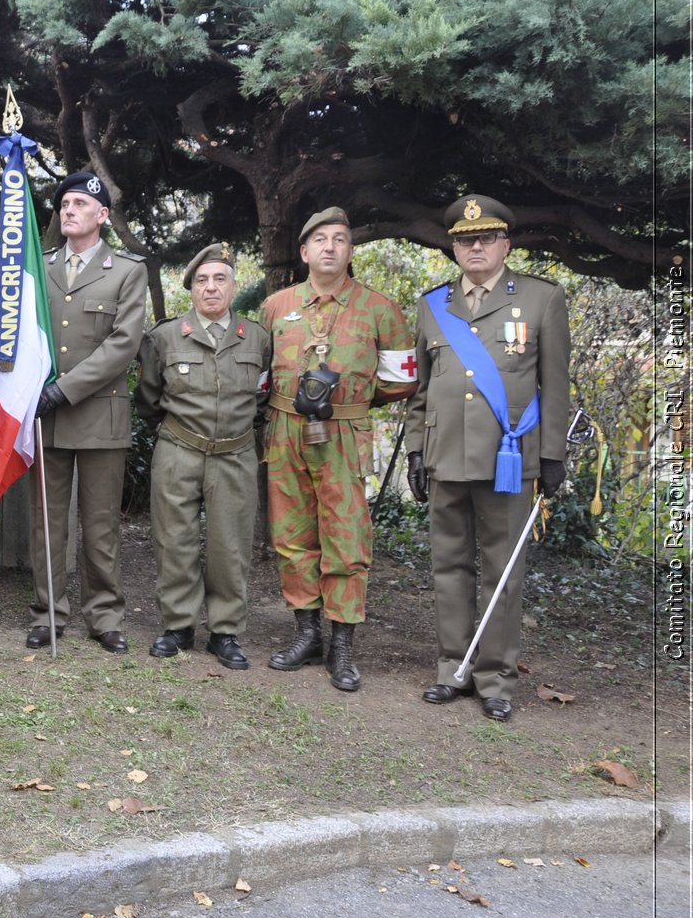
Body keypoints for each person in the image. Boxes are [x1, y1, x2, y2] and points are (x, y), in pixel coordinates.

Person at [405, 195, 572, 723]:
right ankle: (452, 668)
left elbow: (555, 385)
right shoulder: (433, 305)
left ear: (505, 243)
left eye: (485, 238)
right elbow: (420, 390)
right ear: (453, 247)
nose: (474, 247)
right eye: (463, 240)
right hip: (446, 454)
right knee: (449, 566)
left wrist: (551, 456)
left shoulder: (542, 300)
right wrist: (415, 448)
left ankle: (495, 677)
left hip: (509, 458)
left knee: (503, 570)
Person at [261, 207, 416, 691]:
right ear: (304, 252)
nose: (330, 247)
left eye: (340, 239)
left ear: (350, 251)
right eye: (320, 240)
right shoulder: (275, 307)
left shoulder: (380, 309)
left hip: (343, 436)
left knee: (346, 537)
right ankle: (306, 634)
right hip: (285, 430)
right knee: (291, 534)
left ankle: (341, 645)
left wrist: (348, 404)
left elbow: (401, 380)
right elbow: (259, 373)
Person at [134, 244, 271, 669]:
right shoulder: (165, 337)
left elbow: (264, 399)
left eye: (219, 279)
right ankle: (178, 626)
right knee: (174, 541)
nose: (210, 288)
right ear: (191, 289)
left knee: (230, 545)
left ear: (233, 286)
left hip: (235, 455)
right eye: (201, 281)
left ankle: (225, 632)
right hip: (179, 451)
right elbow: (148, 398)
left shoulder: (259, 339)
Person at [28, 172, 147, 654]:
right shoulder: (42, 266)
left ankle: (104, 615)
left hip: (98, 413)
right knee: (47, 520)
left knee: (100, 524)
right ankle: (48, 612)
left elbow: (124, 344)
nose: (69, 210)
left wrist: (65, 390)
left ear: (102, 215)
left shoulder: (126, 270)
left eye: (80, 203)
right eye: (64, 203)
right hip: (46, 415)